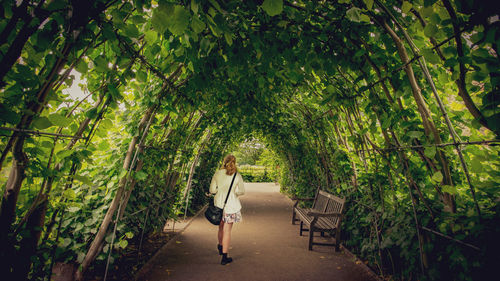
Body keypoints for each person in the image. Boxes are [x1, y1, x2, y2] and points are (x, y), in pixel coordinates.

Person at [209, 154, 245, 265]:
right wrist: (235, 193)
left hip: (219, 205)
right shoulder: (237, 175)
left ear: (224, 162)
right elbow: (242, 191)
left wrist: (219, 191)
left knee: (220, 227)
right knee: (227, 231)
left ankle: (220, 246)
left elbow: (212, 190)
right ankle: (224, 257)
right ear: (235, 162)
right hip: (231, 206)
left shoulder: (218, 174)